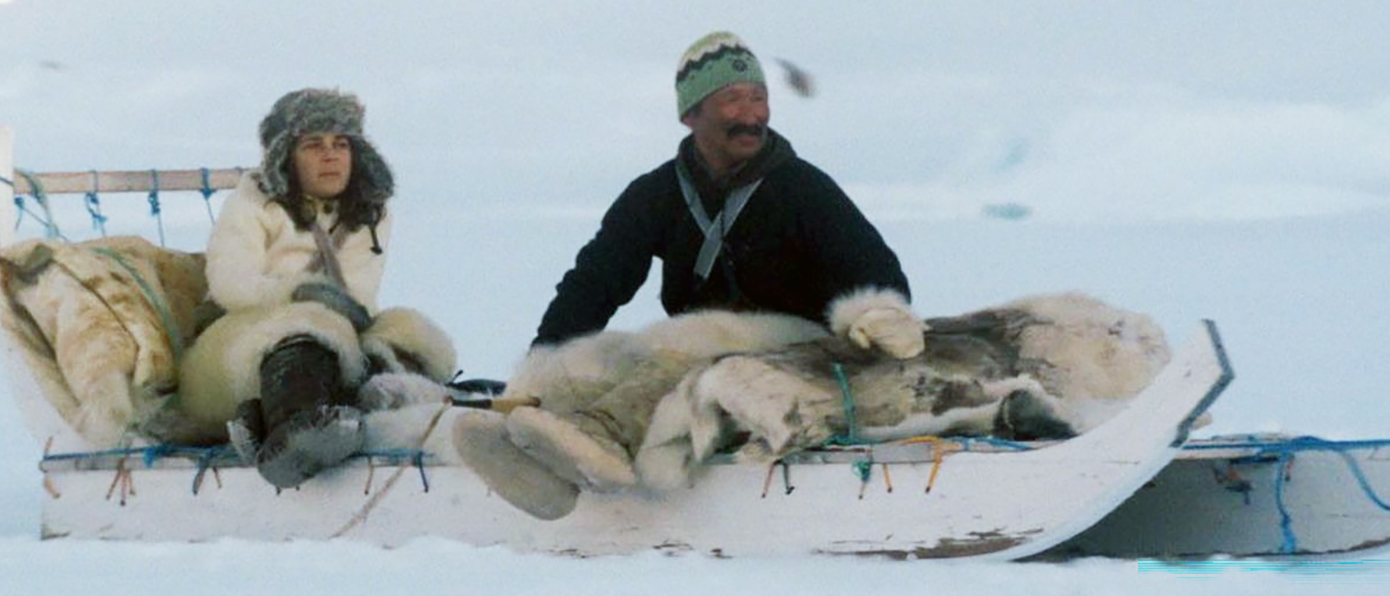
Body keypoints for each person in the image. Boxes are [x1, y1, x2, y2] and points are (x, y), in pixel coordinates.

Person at [453, 32, 927, 519]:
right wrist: (545, 360)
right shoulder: (656, 195)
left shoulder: (804, 189)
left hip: (805, 356)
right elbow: (594, 283)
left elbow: (882, 283)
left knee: (694, 337)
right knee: (611, 355)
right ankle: (537, 461)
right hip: (694, 354)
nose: (752, 115)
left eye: (759, 98)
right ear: (691, 114)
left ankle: (605, 438)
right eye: (733, 99)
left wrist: (878, 323)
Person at [177, 88, 457, 488]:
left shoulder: (368, 213)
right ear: (286, 154)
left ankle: (362, 404)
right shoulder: (253, 201)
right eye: (314, 145)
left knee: (410, 329)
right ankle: (294, 436)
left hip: (334, 331)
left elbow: (358, 300)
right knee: (308, 324)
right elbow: (230, 283)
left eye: (341, 144)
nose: (331, 156)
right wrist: (296, 293)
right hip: (237, 345)